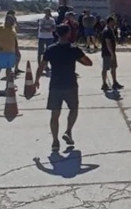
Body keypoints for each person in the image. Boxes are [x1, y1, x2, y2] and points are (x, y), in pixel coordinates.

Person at [34, 23, 93, 151]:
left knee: (55, 114)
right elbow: (89, 63)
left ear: (57, 34)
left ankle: (55, 141)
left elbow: (41, 66)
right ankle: (68, 131)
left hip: (55, 85)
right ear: (68, 33)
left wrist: (36, 80)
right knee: (74, 109)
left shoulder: (51, 49)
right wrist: (78, 59)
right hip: (70, 84)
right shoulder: (74, 49)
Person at [0, 14, 19, 81]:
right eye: (11, 21)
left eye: (13, 21)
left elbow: (15, 40)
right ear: (6, 20)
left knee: (9, 68)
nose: (13, 22)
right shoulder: (0, 28)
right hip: (1, 52)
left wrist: (17, 50)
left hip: (11, 51)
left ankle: (8, 84)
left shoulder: (13, 29)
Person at [100, 17, 123, 90]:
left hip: (111, 52)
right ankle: (104, 84)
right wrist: (112, 54)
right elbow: (108, 43)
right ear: (110, 22)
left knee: (113, 67)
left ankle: (115, 83)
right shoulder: (107, 31)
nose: (114, 23)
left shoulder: (110, 30)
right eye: (113, 22)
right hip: (107, 53)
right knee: (105, 68)